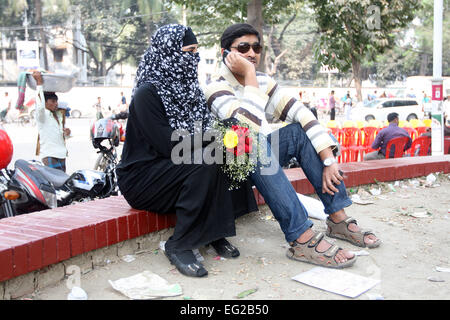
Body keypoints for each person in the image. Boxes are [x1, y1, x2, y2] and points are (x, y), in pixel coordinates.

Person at [205, 23, 380, 270]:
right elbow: (246, 126)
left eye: (257, 48)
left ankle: (338, 218)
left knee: (299, 131)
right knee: (251, 140)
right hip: (231, 171)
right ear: (226, 54)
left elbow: (301, 113)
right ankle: (302, 239)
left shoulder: (262, 81)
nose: (252, 54)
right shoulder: (214, 87)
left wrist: (328, 160)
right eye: (243, 48)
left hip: (261, 159)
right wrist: (251, 76)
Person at [116, 24, 258, 278]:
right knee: (206, 161)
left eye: (196, 50)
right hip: (143, 178)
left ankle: (215, 232)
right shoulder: (147, 93)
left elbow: (200, 137)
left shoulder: (190, 90)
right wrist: (214, 135)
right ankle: (179, 243)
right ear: (169, 52)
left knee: (230, 155)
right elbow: (168, 145)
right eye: (188, 51)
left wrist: (226, 133)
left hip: (175, 169)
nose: (194, 57)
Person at [32, 71, 71, 172]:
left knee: (62, 184)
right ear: (45, 102)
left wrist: (67, 133)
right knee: (53, 185)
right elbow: (39, 105)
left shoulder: (58, 115)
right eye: (53, 101)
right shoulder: (42, 115)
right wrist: (39, 84)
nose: (56, 104)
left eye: (56, 101)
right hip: (50, 155)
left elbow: (60, 135)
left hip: (62, 154)